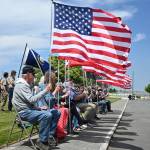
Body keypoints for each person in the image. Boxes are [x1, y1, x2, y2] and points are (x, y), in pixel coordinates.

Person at [12, 66, 57, 150]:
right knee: (47, 115)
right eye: (33, 74)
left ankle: (49, 135)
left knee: (55, 112)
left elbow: (28, 102)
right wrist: (45, 90)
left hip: (29, 110)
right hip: (24, 113)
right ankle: (42, 141)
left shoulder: (26, 85)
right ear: (28, 74)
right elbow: (31, 100)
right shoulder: (21, 85)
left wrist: (38, 108)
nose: (34, 77)